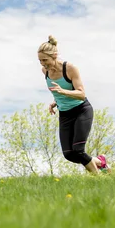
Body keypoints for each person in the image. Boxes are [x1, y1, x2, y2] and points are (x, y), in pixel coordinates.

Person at [38, 35, 110, 173]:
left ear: (54, 55)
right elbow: (59, 91)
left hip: (81, 111)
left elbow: (81, 94)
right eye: (40, 60)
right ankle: (100, 162)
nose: (43, 63)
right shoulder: (45, 71)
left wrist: (63, 92)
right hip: (65, 114)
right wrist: (55, 102)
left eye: (45, 60)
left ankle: (99, 179)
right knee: (69, 154)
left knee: (78, 150)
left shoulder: (70, 68)